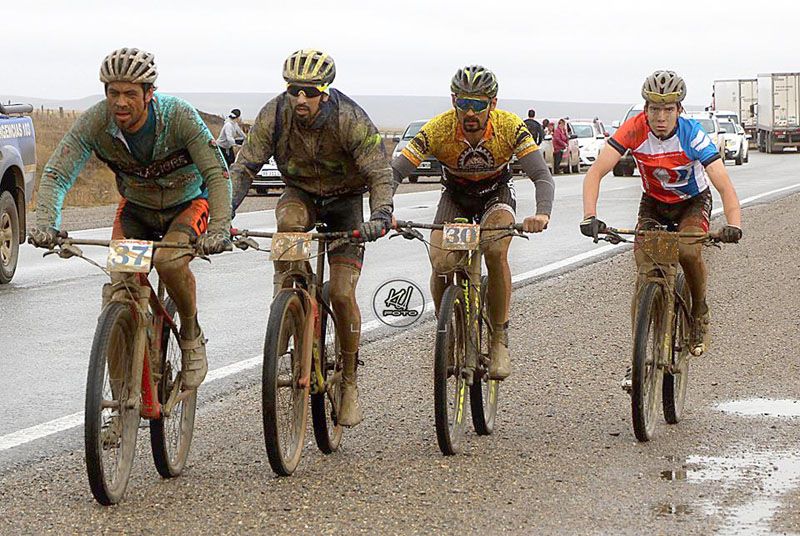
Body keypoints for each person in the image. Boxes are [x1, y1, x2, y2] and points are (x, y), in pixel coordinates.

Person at [30, 47, 232, 390]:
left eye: (129, 94)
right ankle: (120, 402)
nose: (120, 102)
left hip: (187, 205)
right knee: (119, 291)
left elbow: (216, 173)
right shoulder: (97, 121)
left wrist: (220, 228)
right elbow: (57, 173)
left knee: (169, 262)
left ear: (149, 94)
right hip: (137, 209)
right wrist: (47, 222)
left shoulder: (179, 117)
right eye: (113, 93)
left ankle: (191, 334)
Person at [230, 49, 395, 426]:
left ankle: (349, 380)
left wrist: (381, 214)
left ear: (325, 91)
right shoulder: (275, 114)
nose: (300, 99)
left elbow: (379, 172)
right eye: (294, 90)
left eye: (310, 91)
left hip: (346, 202)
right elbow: (244, 168)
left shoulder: (349, 118)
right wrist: (223, 216)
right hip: (301, 194)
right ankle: (291, 291)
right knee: (288, 222)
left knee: (340, 292)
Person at [392, 65, 555, 381]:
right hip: (455, 197)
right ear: (453, 100)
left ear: (492, 103)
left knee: (495, 252)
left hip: (496, 197)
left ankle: (498, 339)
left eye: (478, 104)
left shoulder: (509, 127)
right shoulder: (438, 129)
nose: (469, 111)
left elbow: (541, 175)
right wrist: (385, 210)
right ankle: (447, 331)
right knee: (441, 264)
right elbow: (396, 172)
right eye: (462, 103)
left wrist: (542, 213)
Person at [581, 70, 742, 375]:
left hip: (692, 203)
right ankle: (638, 358)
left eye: (668, 109)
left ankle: (698, 312)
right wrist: (590, 215)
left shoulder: (692, 134)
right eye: (654, 108)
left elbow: (724, 185)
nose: (661, 116)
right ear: (645, 109)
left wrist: (734, 223)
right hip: (654, 204)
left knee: (689, 252)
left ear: (679, 110)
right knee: (646, 277)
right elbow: (596, 172)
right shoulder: (634, 129)